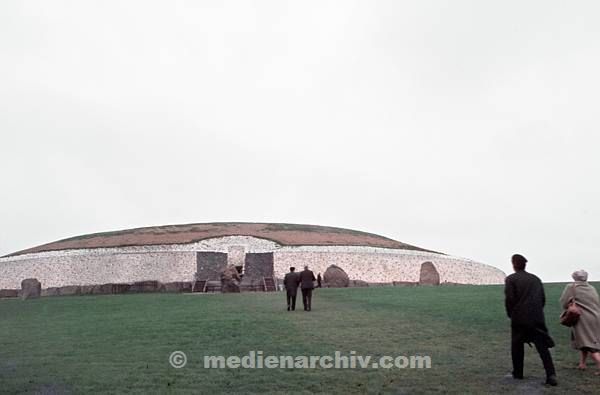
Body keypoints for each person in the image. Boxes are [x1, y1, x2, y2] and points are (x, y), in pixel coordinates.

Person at [504, 254, 557, 386]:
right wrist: (537, 311)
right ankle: (551, 374)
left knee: (517, 345)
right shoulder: (536, 279)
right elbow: (542, 298)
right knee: (542, 347)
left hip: (519, 318)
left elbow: (510, 299)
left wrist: (512, 314)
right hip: (536, 317)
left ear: (514, 264)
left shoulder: (511, 279)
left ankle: (518, 372)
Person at [559, 270, 600, 374]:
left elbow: (563, 302)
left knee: (588, 343)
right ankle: (582, 363)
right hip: (595, 317)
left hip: (582, 319)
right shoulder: (591, 288)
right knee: (585, 339)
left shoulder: (571, 287)